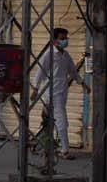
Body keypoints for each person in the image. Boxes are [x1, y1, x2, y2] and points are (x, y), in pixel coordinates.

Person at [33, 27, 85, 159]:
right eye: (62, 39)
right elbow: (39, 73)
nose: (65, 41)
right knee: (61, 121)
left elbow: (72, 71)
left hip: (62, 92)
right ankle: (64, 150)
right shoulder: (48, 54)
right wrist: (35, 89)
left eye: (66, 38)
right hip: (51, 93)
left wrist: (83, 84)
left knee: (50, 121)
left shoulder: (65, 55)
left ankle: (44, 146)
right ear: (55, 40)